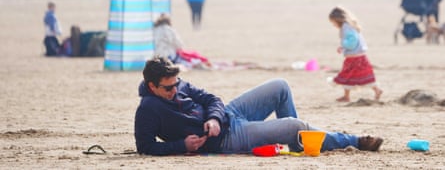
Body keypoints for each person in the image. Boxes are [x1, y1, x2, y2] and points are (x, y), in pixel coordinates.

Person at [134, 57, 383, 156]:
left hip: (229, 116)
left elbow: (213, 100)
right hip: (227, 140)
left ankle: (299, 141)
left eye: (176, 84)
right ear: (152, 86)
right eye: (168, 88)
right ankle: (354, 141)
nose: (175, 90)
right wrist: (182, 146)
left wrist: (214, 119)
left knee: (280, 85)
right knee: (293, 125)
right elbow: (144, 146)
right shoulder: (147, 109)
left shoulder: (177, 84)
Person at [328, 6, 383, 102]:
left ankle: (375, 91)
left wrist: (343, 45)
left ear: (337, 19)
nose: (333, 25)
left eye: (333, 22)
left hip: (355, 58)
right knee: (354, 76)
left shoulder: (347, 28)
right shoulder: (349, 26)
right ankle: (347, 95)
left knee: (350, 75)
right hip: (357, 56)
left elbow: (352, 41)